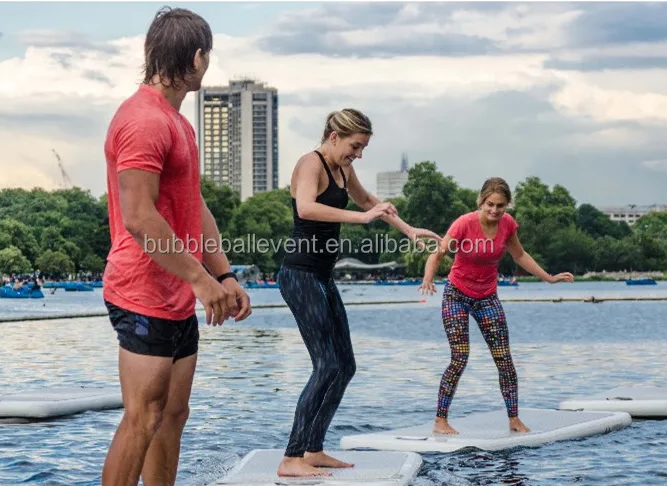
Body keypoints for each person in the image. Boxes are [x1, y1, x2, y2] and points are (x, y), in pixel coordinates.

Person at [100, 7, 252, 486]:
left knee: (173, 414)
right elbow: (140, 217)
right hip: (141, 290)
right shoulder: (143, 120)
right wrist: (201, 280)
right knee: (143, 417)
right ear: (198, 57)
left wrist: (223, 275)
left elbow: (194, 205)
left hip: (178, 292)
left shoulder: (177, 123)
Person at [277, 108, 442, 478]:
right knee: (326, 365)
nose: (359, 154)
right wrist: (362, 219)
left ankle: (313, 448)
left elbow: (370, 201)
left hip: (322, 277)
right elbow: (305, 207)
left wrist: (408, 229)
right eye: (355, 146)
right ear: (334, 136)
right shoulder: (311, 163)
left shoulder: (342, 168)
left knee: (345, 365)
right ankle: (291, 457)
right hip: (300, 275)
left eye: (363, 148)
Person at [419, 177, 574, 435]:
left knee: (504, 360)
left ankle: (513, 418)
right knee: (459, 357)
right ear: (481, 201)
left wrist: (548, 277)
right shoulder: (464, 223)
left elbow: (520, 255)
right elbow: (438, 253)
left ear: (507, 205)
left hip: (487, 297)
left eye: (500, 206)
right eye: (490, 204)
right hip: (456, 295)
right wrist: (427, 279)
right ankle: (440, 420)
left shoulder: (507, 225)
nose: (494, 210)